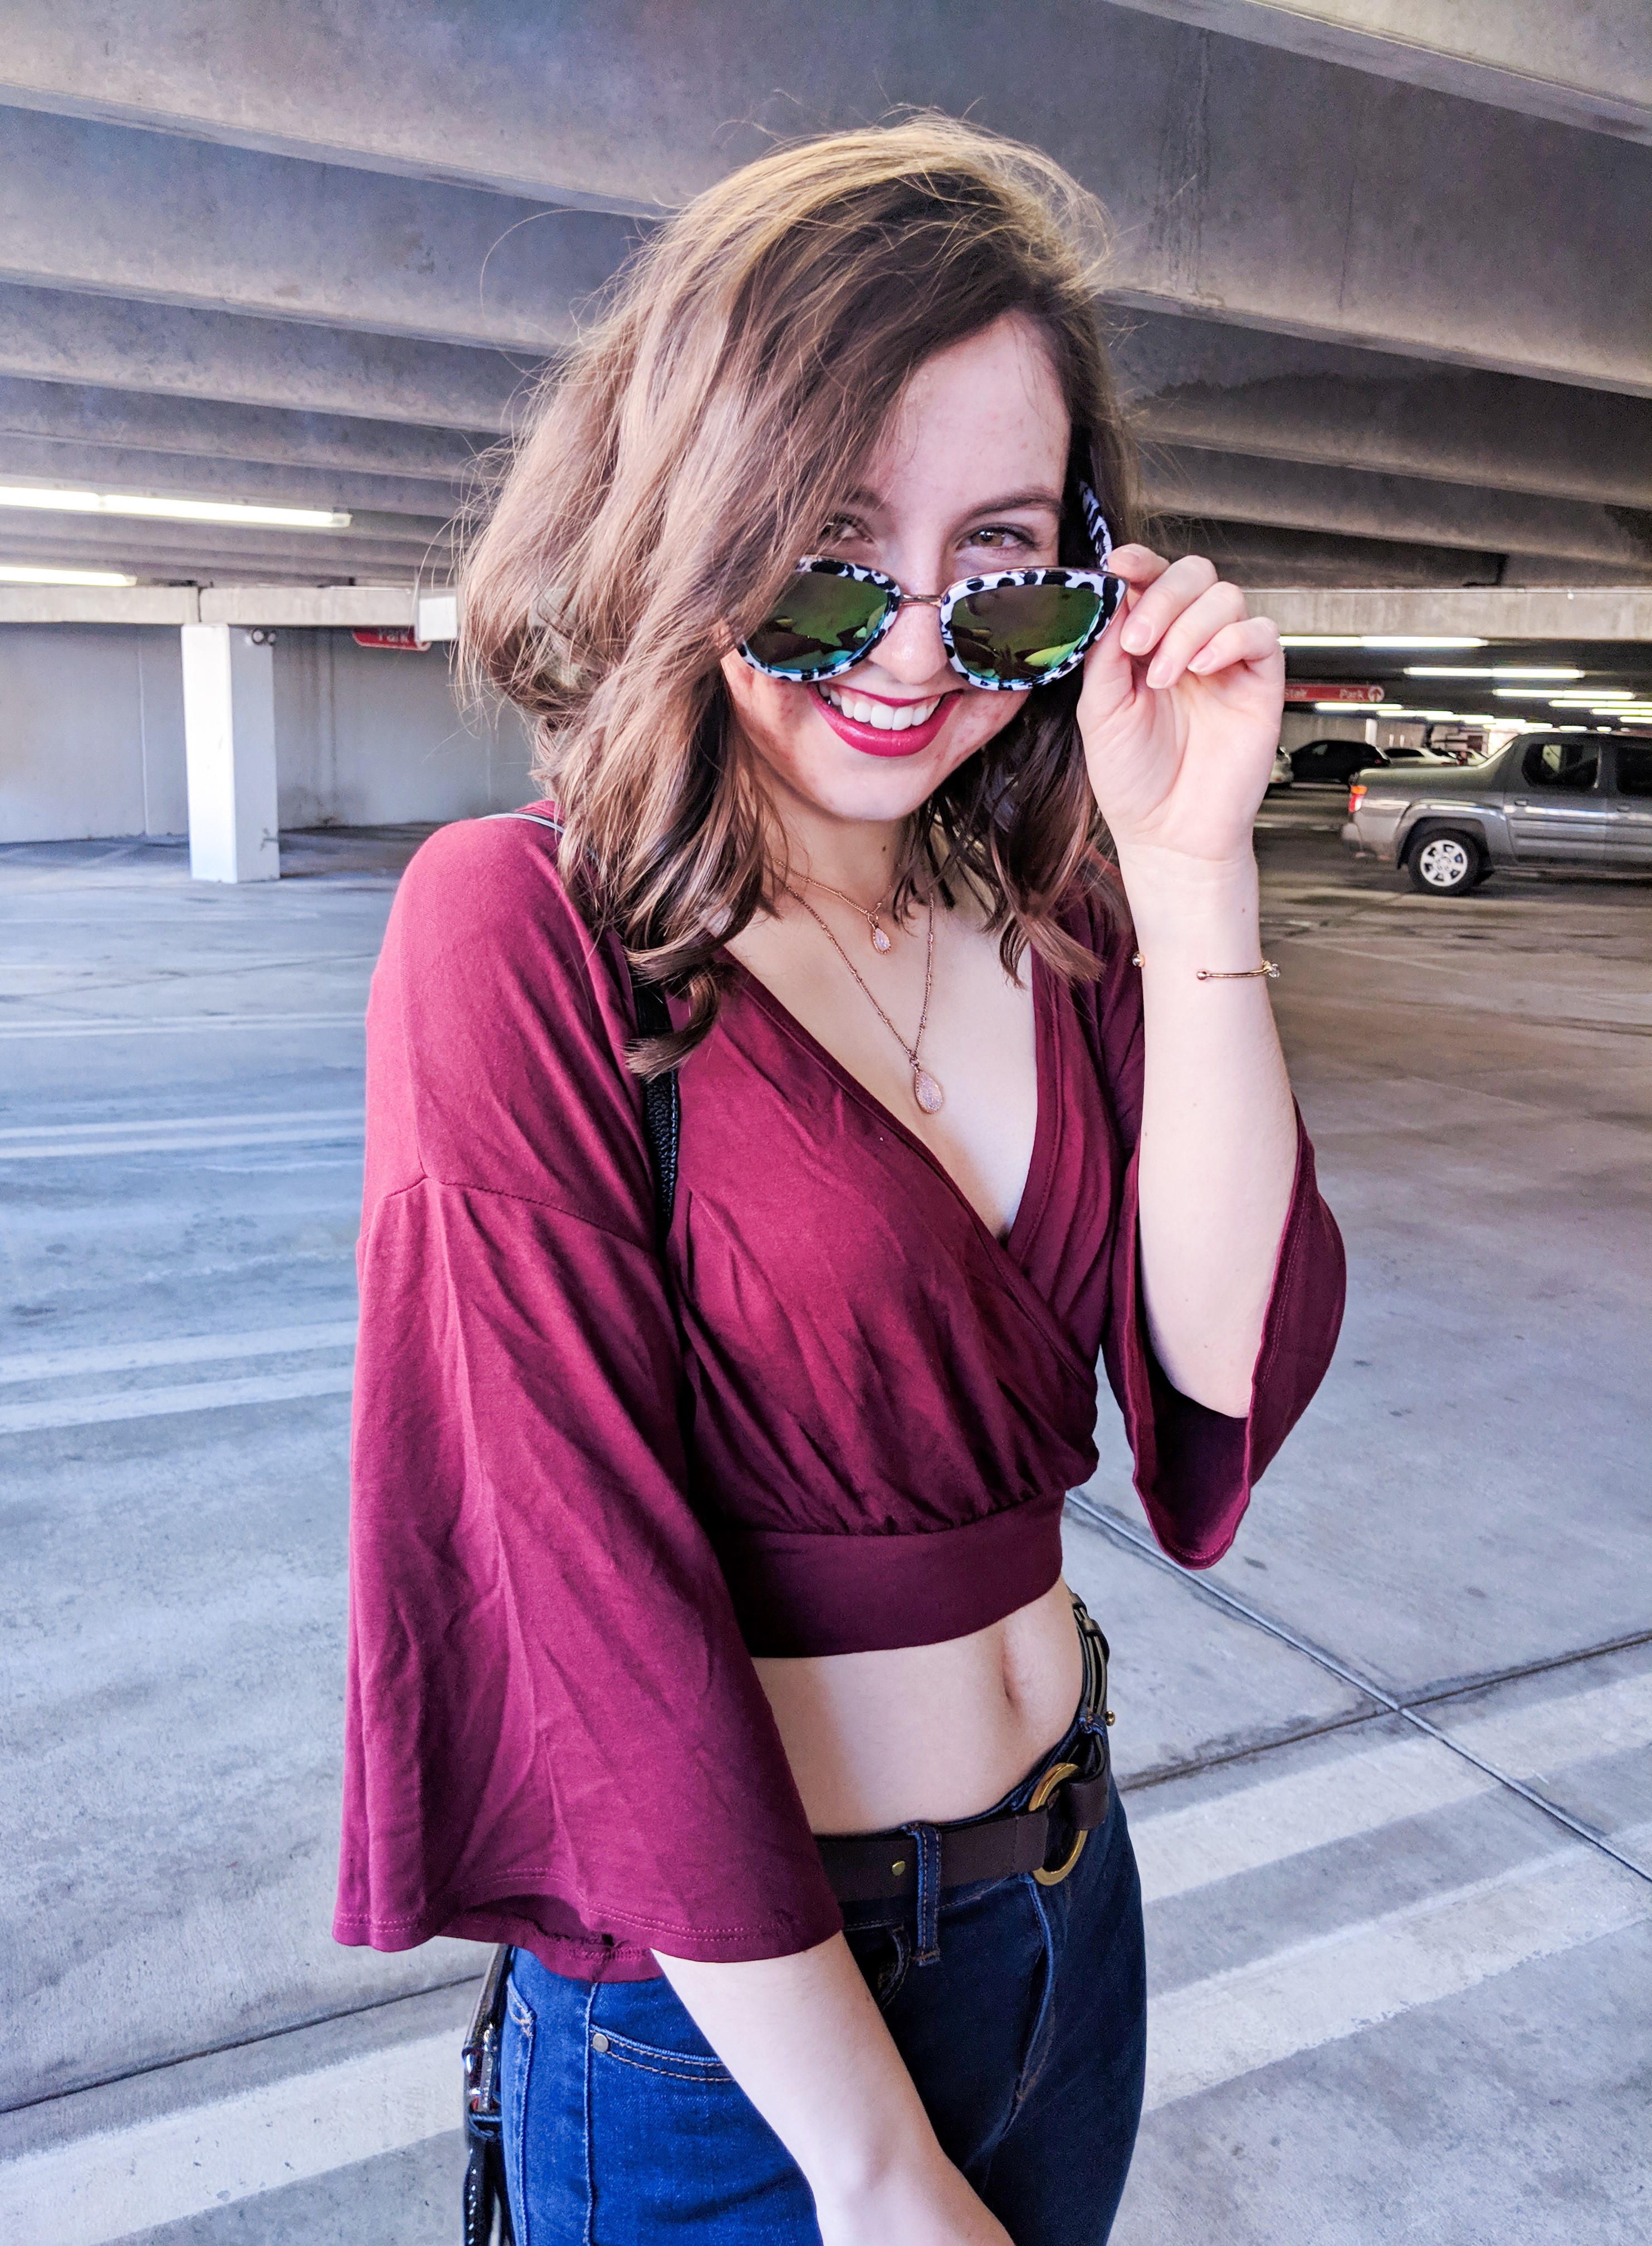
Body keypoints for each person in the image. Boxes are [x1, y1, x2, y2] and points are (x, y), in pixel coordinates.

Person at [335, 117, 1345, 2245]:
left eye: (1001, 571)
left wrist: (1193, 869)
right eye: (824, 557)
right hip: (737, 2042)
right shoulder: (523, 932)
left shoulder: (1059, 922)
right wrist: (872, 2166)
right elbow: (581, 1602)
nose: (909, 654)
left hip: (1065, 1918)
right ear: (685, 525)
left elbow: (1217, 1346)